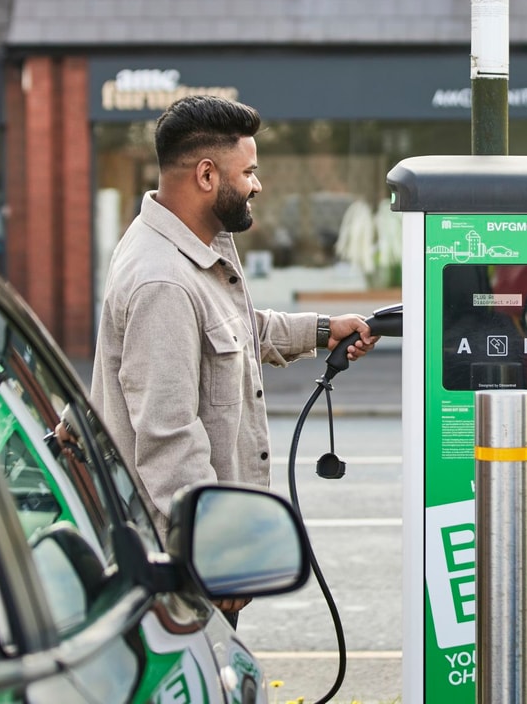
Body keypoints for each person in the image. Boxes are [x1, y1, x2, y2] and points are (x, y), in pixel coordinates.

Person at [89, 95, 377, 623]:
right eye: (248, 171)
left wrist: (319, 330)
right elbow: (167, 435)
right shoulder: (163, 281)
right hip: (179, 568)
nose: (257, 185)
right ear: (206, 174)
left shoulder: (199, 247)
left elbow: (239, 329)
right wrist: (214, 554)